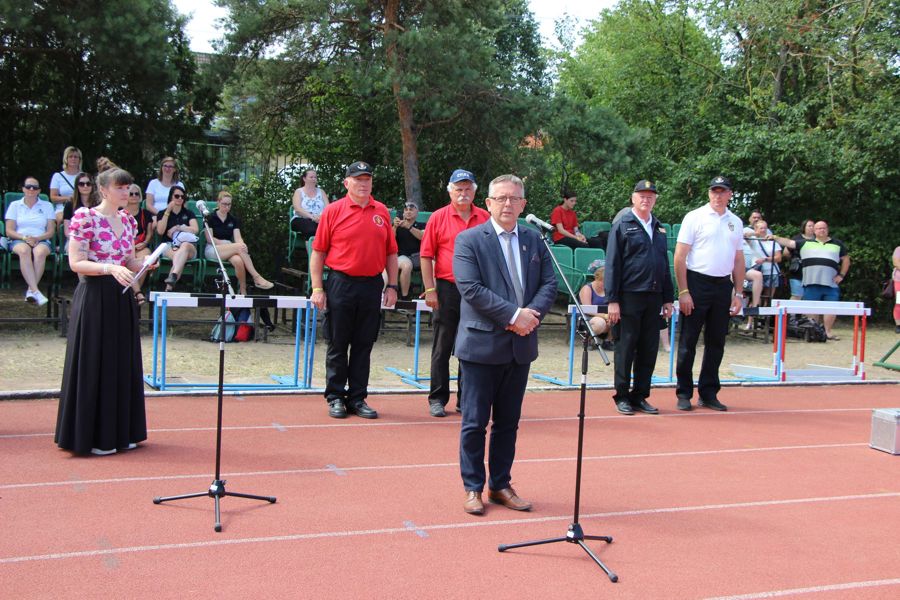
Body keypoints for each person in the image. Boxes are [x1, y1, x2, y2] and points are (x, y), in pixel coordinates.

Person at [453, 174, 556, 515]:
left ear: (523, 204)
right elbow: (471, 288)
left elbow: (549, 283)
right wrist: (514, 316)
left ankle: (500, 485)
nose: (507, 204)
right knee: (474, 422)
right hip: (481, 346)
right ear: (488, 203)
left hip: (520, 346)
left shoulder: (534, 239)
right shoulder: (470, 240)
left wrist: (531, 316)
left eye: (514, 198)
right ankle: (473, 488)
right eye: (501, 198)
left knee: (508, 423)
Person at [54, 167, 148, 455]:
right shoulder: (85, 217)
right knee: (95, 361)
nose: (126, 192)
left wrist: (144, 264)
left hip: (122, 298)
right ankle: (94, 436)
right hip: (95, 297)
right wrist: (109, 268)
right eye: (120, 187)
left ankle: (122, 432)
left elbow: (128, 261)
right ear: (104, 190)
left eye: (128, 187)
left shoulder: (128, 220)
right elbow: (76, 262)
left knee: (121, 362)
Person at [310, 161, 398, 420]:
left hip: (371, 284)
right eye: (358, 179)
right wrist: (317, 287)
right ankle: (336, 396)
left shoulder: (381, 211)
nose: (363, 184)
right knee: (338, 342)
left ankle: (358, 397)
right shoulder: (333, 211)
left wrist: (392, 285)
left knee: (364, 344)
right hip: (341, 283)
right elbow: (318, 252)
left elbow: (391, 253)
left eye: (367, 179)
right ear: (346, 183)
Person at [419, 169, 490, 417]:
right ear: (450, 191)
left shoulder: (485, 218)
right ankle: (437, 398)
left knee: (471, 347)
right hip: (446, 288)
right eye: (459, 189)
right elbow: (426, 256)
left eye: (468, 189)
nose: (463, 193)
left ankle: (466, 399)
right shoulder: (438, 217)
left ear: (475, 192)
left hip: (477, 291)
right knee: (442, 346)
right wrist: (430, 289)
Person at [674, 176, 745, 412]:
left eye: (722, 191)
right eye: (714, 191)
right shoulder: (694, 217)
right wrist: (684, 291)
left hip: (723, 285)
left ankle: (708, 392)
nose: (718, 195)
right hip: (697, 282)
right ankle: (684, 393)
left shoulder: (736, 222)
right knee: (688, 341)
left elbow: (738, 259)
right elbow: (680, 256)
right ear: (708, 193)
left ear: (730, 194)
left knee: (717, 341)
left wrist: (739, 293)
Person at [605, 179, 674, 415]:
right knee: (626, 347)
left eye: (650, 196)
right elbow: (612, 264)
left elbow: (664, 265)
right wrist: (613, 300)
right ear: (633, 198)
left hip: (654, 296)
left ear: (655, 200)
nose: (646, 199)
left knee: (648, 349)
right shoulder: (622, 225)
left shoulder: (659, 228)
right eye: (642, 195)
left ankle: (640, 395)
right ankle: (622, 396)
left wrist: (668, 298)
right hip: (629, 296)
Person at [770, 221, 850, 340]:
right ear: (814, 231)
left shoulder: (838, 244)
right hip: (810, 282)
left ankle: (828, 332)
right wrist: (775, 237)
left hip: (831, 283)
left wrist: (841, 275)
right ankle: (814, 331)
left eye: (824, 228)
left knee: (831, 307)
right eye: (819, 228)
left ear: (827, 229)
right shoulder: (805, 243)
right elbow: (789, 243)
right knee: (811, 308)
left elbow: (846, 259)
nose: (822, 230)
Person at [203, 190, 274, 295]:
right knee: (239, 247)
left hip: (230, 249)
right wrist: (229, 244)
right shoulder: (210, 217)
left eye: (229, 204)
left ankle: (242, 290)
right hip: (213, 249)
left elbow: (238, 238)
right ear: (218, 202)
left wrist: (242, 245)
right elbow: (210, 239)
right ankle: (257, 277)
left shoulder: (233, 219)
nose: (227, 207)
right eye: (224, 204)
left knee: (239, 261)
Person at [4, 176, 56, 306]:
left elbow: (50, 231)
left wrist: (37, 238)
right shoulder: (15, 205)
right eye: (28, 187)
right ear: (23, 189)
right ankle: (35, 291)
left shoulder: (47, 205)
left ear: (39, 190)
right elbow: (9, 231)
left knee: (40, 253)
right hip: (19, 239)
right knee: (24, 251)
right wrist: (25, 238)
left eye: (35, 187)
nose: (31, 189)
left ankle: (31, 291)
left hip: (41, 239)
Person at [155, 184, 198, 291]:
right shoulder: (162, 213)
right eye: (176, 196)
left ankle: (170, 283)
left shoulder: (188, 213)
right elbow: (160, 231)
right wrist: (168, 211)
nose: (180, 198)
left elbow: (195, 229)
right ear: (171, 197)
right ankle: (170, 284)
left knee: (184, 246)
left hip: (188, 246)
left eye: (182, 197)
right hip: (168, 245)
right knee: (180, 257)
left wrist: (178, 227)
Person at [124, 183, 155, 303]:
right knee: (129, 259)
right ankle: (134, 292)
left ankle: (136, 291)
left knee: (147, 259)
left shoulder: (145, 213)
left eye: (136, 194)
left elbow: (149, 233)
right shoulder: (120, 213)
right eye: (131, 194)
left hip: (141, 245)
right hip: (125, 246)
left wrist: (145, 243)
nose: (134, 196)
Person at [391, 201, 424, 299]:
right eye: (406, 210)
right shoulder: (397, 226)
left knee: (432, 263)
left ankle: (430, 294)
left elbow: (423, 236)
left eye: (411, 209)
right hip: (403, 256)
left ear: (417, 212)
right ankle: (405, 297)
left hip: (419, 256)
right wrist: (394, 227)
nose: (408, 212)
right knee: (406, 265)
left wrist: (409, 227)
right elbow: (390, 240)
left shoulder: (422, 225)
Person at [578, 266, 613, 349]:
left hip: (607, 316)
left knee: (616, 318)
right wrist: (604, 316)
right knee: (600, 323)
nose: (606, 284)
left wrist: (610, 316)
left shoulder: (609, 289)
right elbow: (587, 310)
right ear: (597, 279)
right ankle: (587, 340)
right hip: (589, 317)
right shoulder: (587, 288)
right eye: (603, 281)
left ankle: (608, 341)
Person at [290, 168, 330, 237]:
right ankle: (311, 244)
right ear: (304, 179)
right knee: (311, 229)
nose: (314, 179)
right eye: (311, 177)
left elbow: (328, 208)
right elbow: (298, 209)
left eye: (315, 177)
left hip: (320, 220)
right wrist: (312, 217)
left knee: (332, 228)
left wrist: (321, 217)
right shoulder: (299, 191)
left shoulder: (321, 192)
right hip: (301, 219)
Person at [782, 219, 814, 300]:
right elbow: (785, 253)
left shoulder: (818, 240)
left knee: (810, 296)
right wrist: (794, 259)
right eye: (809, 226)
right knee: (797, 295)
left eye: (813, 226)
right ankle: (791, 309)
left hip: (813, 273)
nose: (812, 228)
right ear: (804, 227)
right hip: (798, 272)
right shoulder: (796, 238)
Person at [49, 146, 83, 224]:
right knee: (61, 218)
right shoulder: (57, 176)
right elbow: (53, 197)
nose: (73, 159)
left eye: (76, 157)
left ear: (79, 160)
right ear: (66, 159)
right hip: (62, 207)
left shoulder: (84, 176)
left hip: (81, 206)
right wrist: (69, 198)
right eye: (70, 156)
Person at [62, 172, 97, 238]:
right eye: (81, 184)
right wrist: (80, 240)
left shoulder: (98, 203)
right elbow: (67, 231)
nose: (85, 186)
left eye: (88, 184)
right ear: (77, 186)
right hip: (75, 238)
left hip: (96, 238)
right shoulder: (70, 204)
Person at [892, 246, 900, 334]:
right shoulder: (898, 249)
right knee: (899, 303)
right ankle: (898, 325)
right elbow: (896, 263)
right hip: (899, 281)